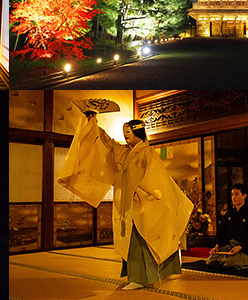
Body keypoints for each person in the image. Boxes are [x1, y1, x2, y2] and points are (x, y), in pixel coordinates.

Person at [58, 112, 193, 290]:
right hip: (130, 202)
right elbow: (108, 143)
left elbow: (156, 178)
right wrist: (93, 123)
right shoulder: (126, 152)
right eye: (124, 133)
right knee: (130, 241)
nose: (125, 135)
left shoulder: (148, 153)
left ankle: (141, 278)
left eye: (128, 132)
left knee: (141, 240)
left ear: (138, 132)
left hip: (144, 203)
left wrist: (144, 193)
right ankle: (136, 276)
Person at [205, 183, 248, 269]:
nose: (234, 197)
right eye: (232, 195)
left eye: (237, 194)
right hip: (230, 247)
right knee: (210, 260)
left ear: (244, 196)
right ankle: (224, 259)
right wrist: (217, 245)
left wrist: (241, 247)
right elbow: (222, 232)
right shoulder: (229, 213)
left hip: (245, 249)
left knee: (229, 263)